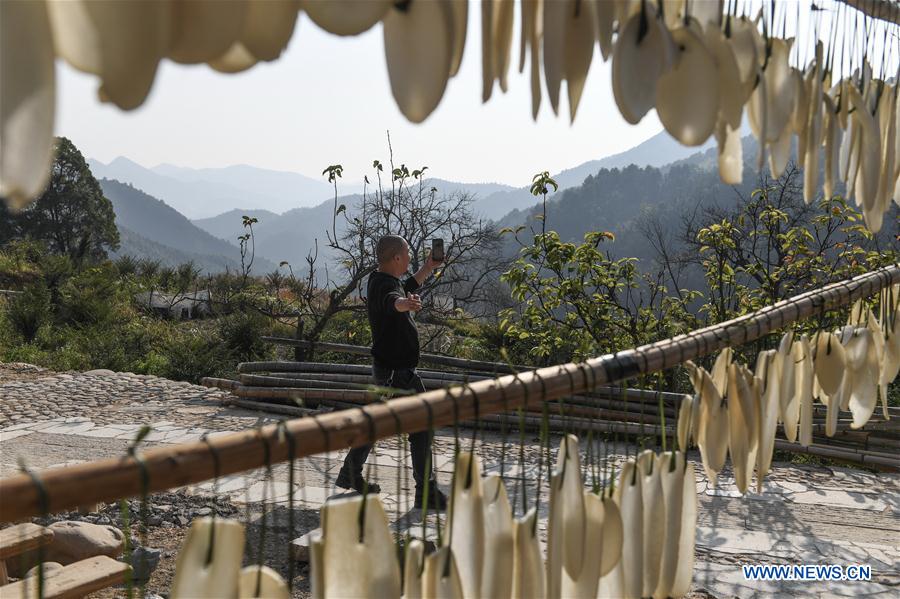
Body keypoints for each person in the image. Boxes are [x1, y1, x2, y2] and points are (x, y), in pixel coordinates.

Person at [335, 234, 448, 510]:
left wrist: (429, 268)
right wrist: (405, 305)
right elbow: (392, 301)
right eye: (407, 254)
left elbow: (404, 287)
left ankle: (350, 473)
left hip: (388, 370)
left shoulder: (381, 279)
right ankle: (426, 491)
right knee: (422, 426)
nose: (410, 258)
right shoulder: (385, 288)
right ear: (397, 258)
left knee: (376, 424)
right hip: (398, 374)